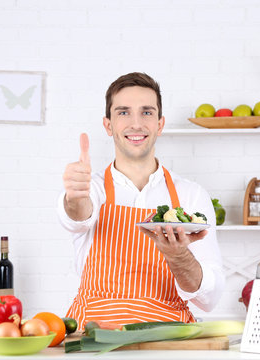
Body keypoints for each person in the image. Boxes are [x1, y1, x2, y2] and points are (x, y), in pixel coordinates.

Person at [58, 72, 224, 330]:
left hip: (166, 338)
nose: (136, 123)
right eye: (123, 112)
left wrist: (179, 257)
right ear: (108, 125)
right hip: (93, 336)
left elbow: (209, 299)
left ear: (160, 124)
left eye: (146, 112)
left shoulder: (191, 196)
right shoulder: (92, 188)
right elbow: (78, 215)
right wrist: (75, 196)